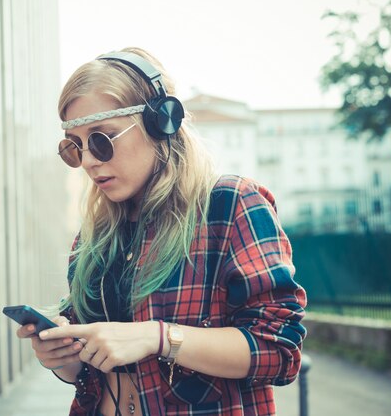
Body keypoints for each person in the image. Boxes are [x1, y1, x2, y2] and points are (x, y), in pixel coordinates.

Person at [16, 47, 307, 416]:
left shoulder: (229, 204)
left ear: (160, 123)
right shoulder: (95, 237)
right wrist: (61, 357)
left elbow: (279, 351)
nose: (88, 161)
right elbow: (87, 375)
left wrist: (158, 337)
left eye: (102, 140)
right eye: (75, 147)